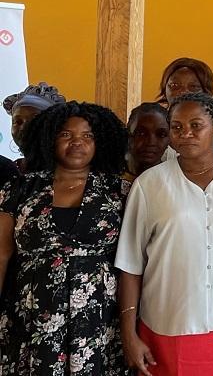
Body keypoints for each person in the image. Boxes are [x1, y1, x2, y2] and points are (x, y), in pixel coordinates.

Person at [117, 92, 213, 376]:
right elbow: (130, 264)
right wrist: (128, 333)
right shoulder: (149, 185)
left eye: (196, 125)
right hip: (166, 325)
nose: (185, 133)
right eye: (176, 127)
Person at [0, 101, 129, 376]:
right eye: (66, 134)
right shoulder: (20, 189)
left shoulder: (119, 191)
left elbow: (134, 259)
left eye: (87, 136)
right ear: (49, 138)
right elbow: (1, 254)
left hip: (98, 317)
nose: (77, 142)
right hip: (32, 312)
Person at [4, 81, 64, 174]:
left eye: (34, 120)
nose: (23, 127)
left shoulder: (70, 170)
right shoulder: (6, 171)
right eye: (18, 122)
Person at [123, 102, 170, 183]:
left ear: (169, 140)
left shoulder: (173, 181)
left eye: (161, 135)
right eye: (141, 133)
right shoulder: (109, 179)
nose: (151, 142)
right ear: (128, 135)